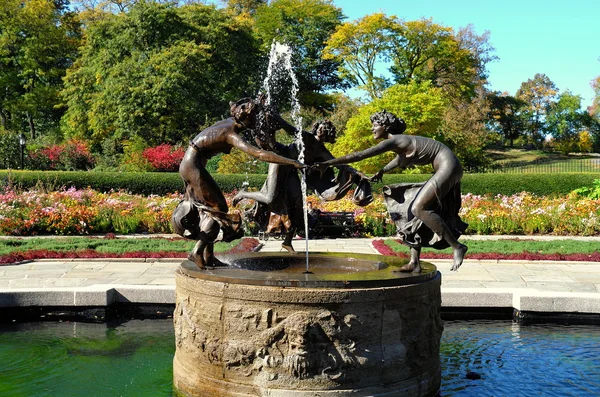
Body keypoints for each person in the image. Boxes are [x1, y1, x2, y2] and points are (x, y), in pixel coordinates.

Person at [315, 110, 467, 272]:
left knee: (419, 208)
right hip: (444, 167)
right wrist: (381, 171)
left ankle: (457, 247)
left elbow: (360, 155)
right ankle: (414, 262)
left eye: (375, 125)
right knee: (411, 212)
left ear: (385, 127)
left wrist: (328, 163)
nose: (372, 129)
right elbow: (400, 160)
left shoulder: (395, 140)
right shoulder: (401, 143)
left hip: (448, 166)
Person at [172, 97, 305, 269]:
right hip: (193, 166)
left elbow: (246, 108)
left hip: (190, 163)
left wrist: (259, 103)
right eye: (255, 118)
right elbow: (259, 154)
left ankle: (209, 256)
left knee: (211, 210)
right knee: (219, 209)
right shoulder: (230, 134)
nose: (257, 123)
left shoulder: (230, 121)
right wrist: (291, 162)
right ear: (247, 118)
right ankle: (197, 251)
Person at [232, 119, 369, 252]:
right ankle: (243, 193)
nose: (323, 130)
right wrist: (277, 119)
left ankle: (287, 241)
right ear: (316, 128)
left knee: (298, 207)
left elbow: (338, 163)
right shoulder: (307, 137)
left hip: (292, 171)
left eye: (326, 130)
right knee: (270, 198)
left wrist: (356, 172)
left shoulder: (322, 151)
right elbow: (291, 129)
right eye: (321, 127)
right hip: (280, 161)